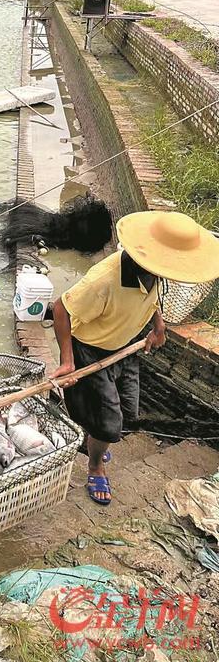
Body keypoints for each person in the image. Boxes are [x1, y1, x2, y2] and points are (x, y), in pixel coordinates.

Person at [50, 211, 219, 507]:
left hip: (124, 343)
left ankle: (94, 441)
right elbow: (61, 309)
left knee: (128, 410)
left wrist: (158, 326)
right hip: (91, 348)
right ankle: (95, 465)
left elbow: (151, 298)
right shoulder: (104, 281)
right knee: (110, 425)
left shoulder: (152, 272)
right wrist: (67, 360)